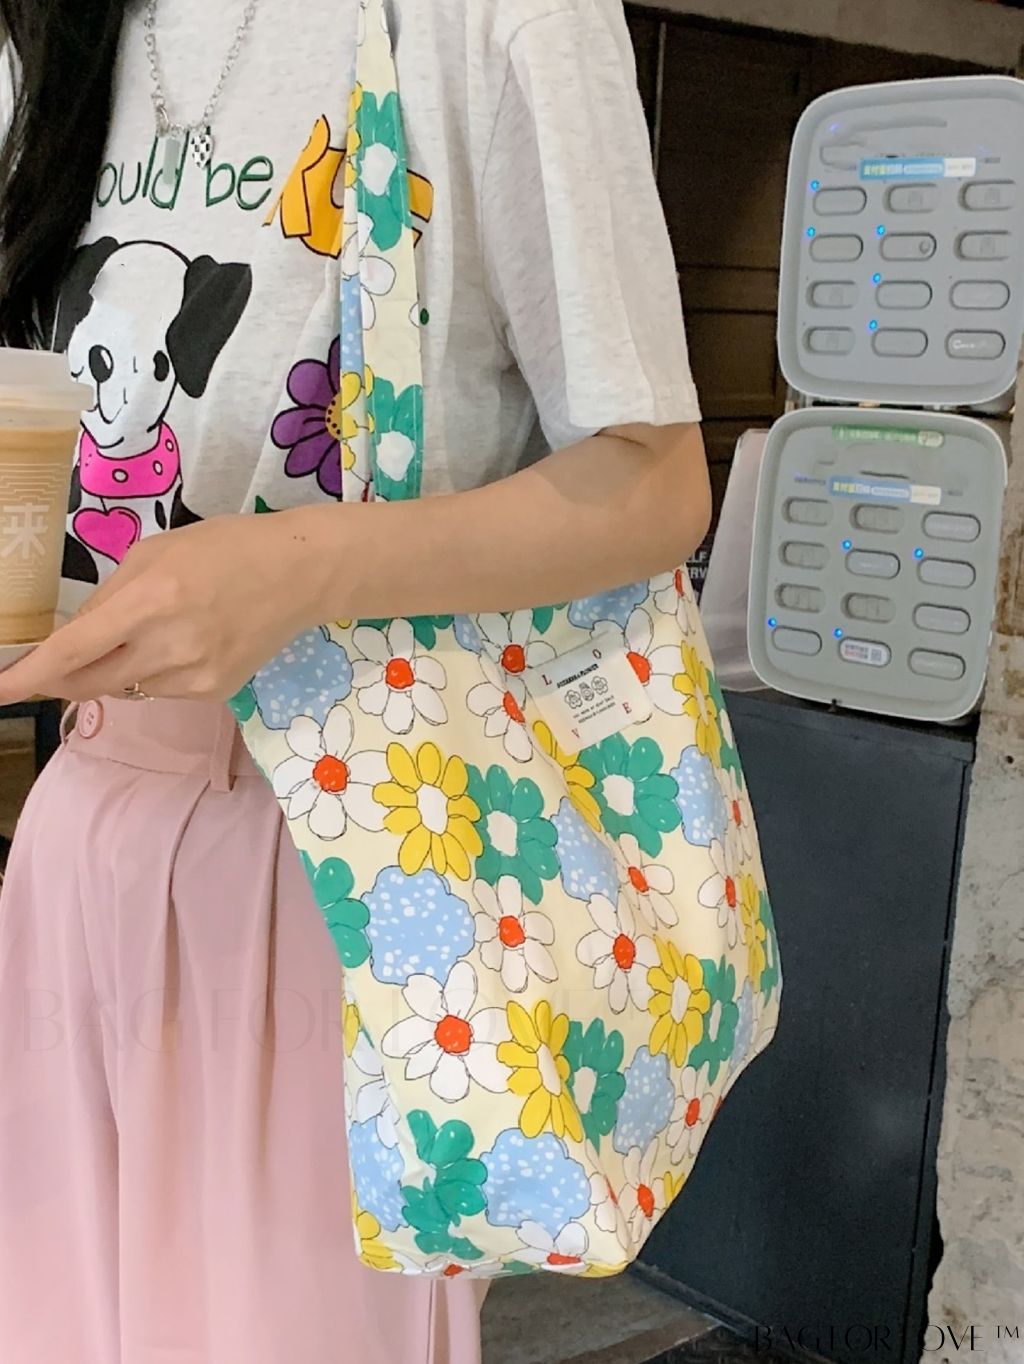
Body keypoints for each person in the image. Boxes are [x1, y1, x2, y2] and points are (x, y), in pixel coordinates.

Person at [0, 0, 710, 1360]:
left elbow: (656, 479)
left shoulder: (496, 22)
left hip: (359, 859)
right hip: (80, 834)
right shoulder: (59, 29)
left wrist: (303, 568)